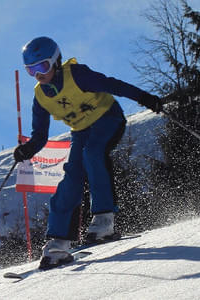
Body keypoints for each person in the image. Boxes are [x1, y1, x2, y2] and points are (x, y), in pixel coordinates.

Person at [14, 36, 162, 269]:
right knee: (71, 175)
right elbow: (40, 135)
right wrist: (28, 149)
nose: (38, 75)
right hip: (81, 130)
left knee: (93, 153)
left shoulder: (77, 75)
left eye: (41, 66)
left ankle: (104, 220)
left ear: (54, 61)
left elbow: (113, 85)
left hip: (107, 119)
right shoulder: (40, 96)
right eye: (30, 70)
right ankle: (58, 241)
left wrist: (144, 97)